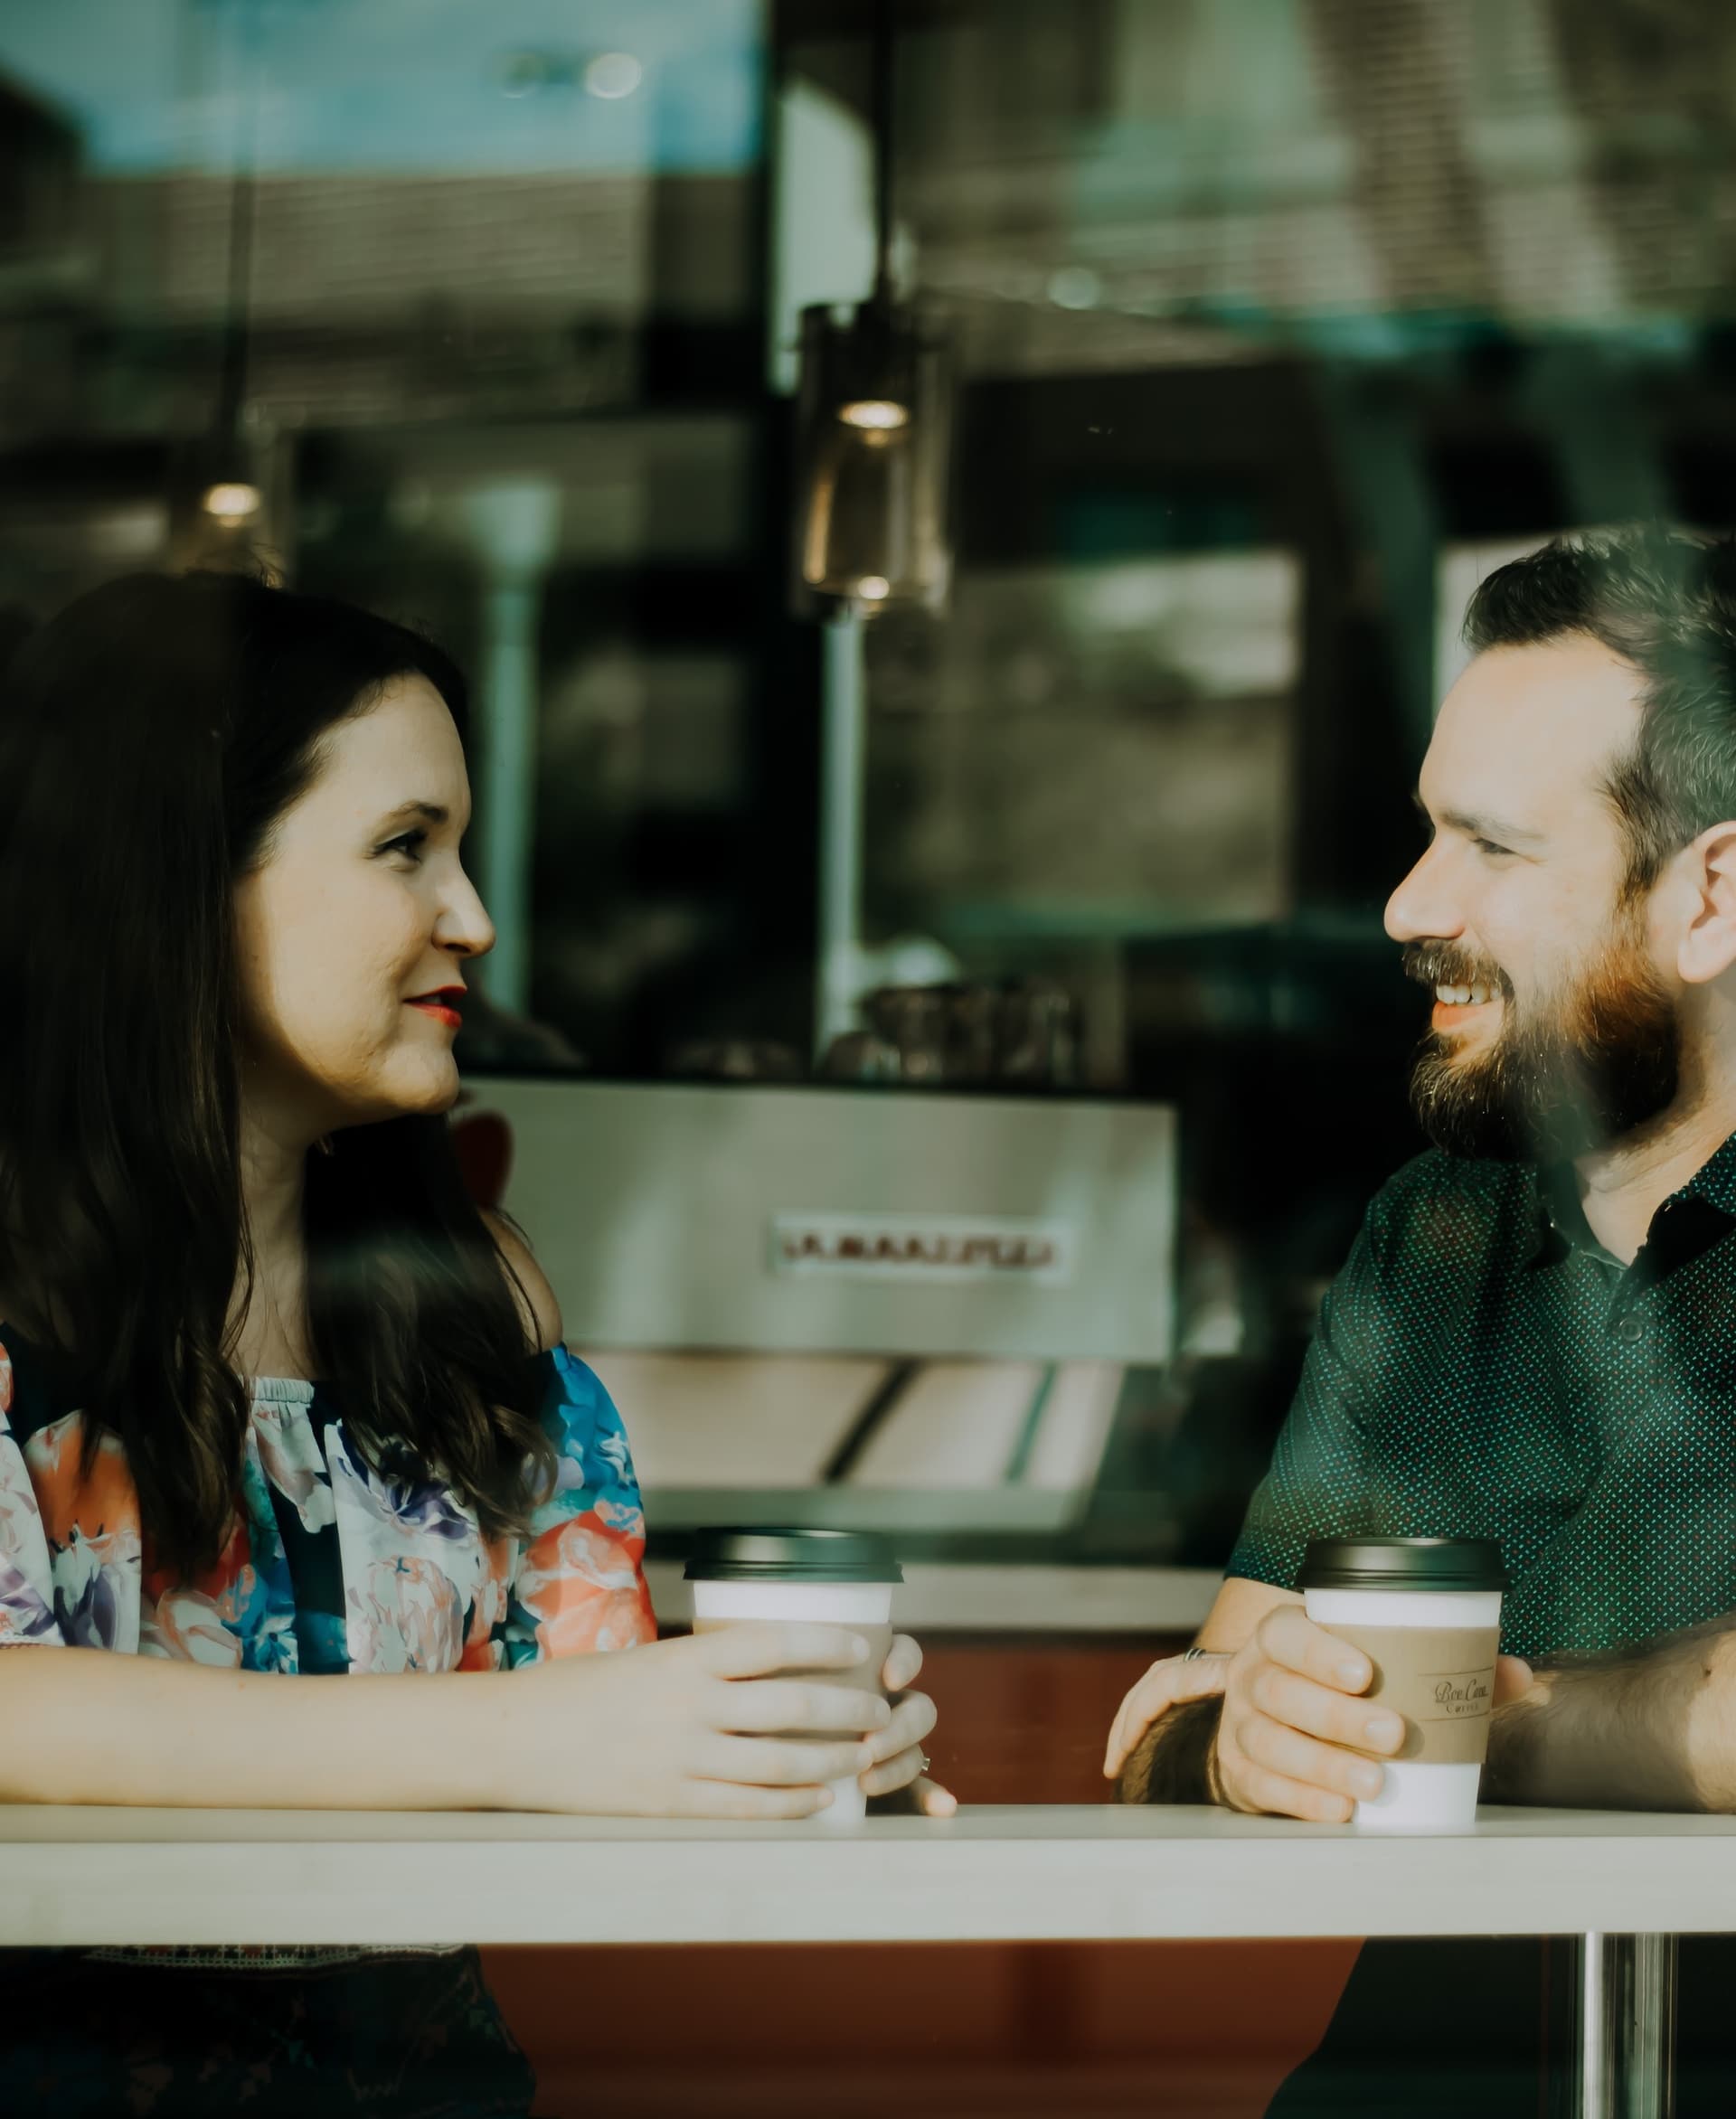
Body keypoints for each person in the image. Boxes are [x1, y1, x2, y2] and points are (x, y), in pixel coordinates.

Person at [0, 570, 951, 2117]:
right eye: (404, 849)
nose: (477, 919)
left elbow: (583, 1723)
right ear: (176, 881)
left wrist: (771, 1747)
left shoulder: (469, 1316)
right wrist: (537, 1734)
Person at [1102, 526, 1736, 2113]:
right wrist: (1243, 1741)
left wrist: (1472, 1731)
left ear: (1712, 894)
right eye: (1421, 834)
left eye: (1494, 848)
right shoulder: (1436, 1238)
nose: (1405, 905)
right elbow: (1175, 1719)